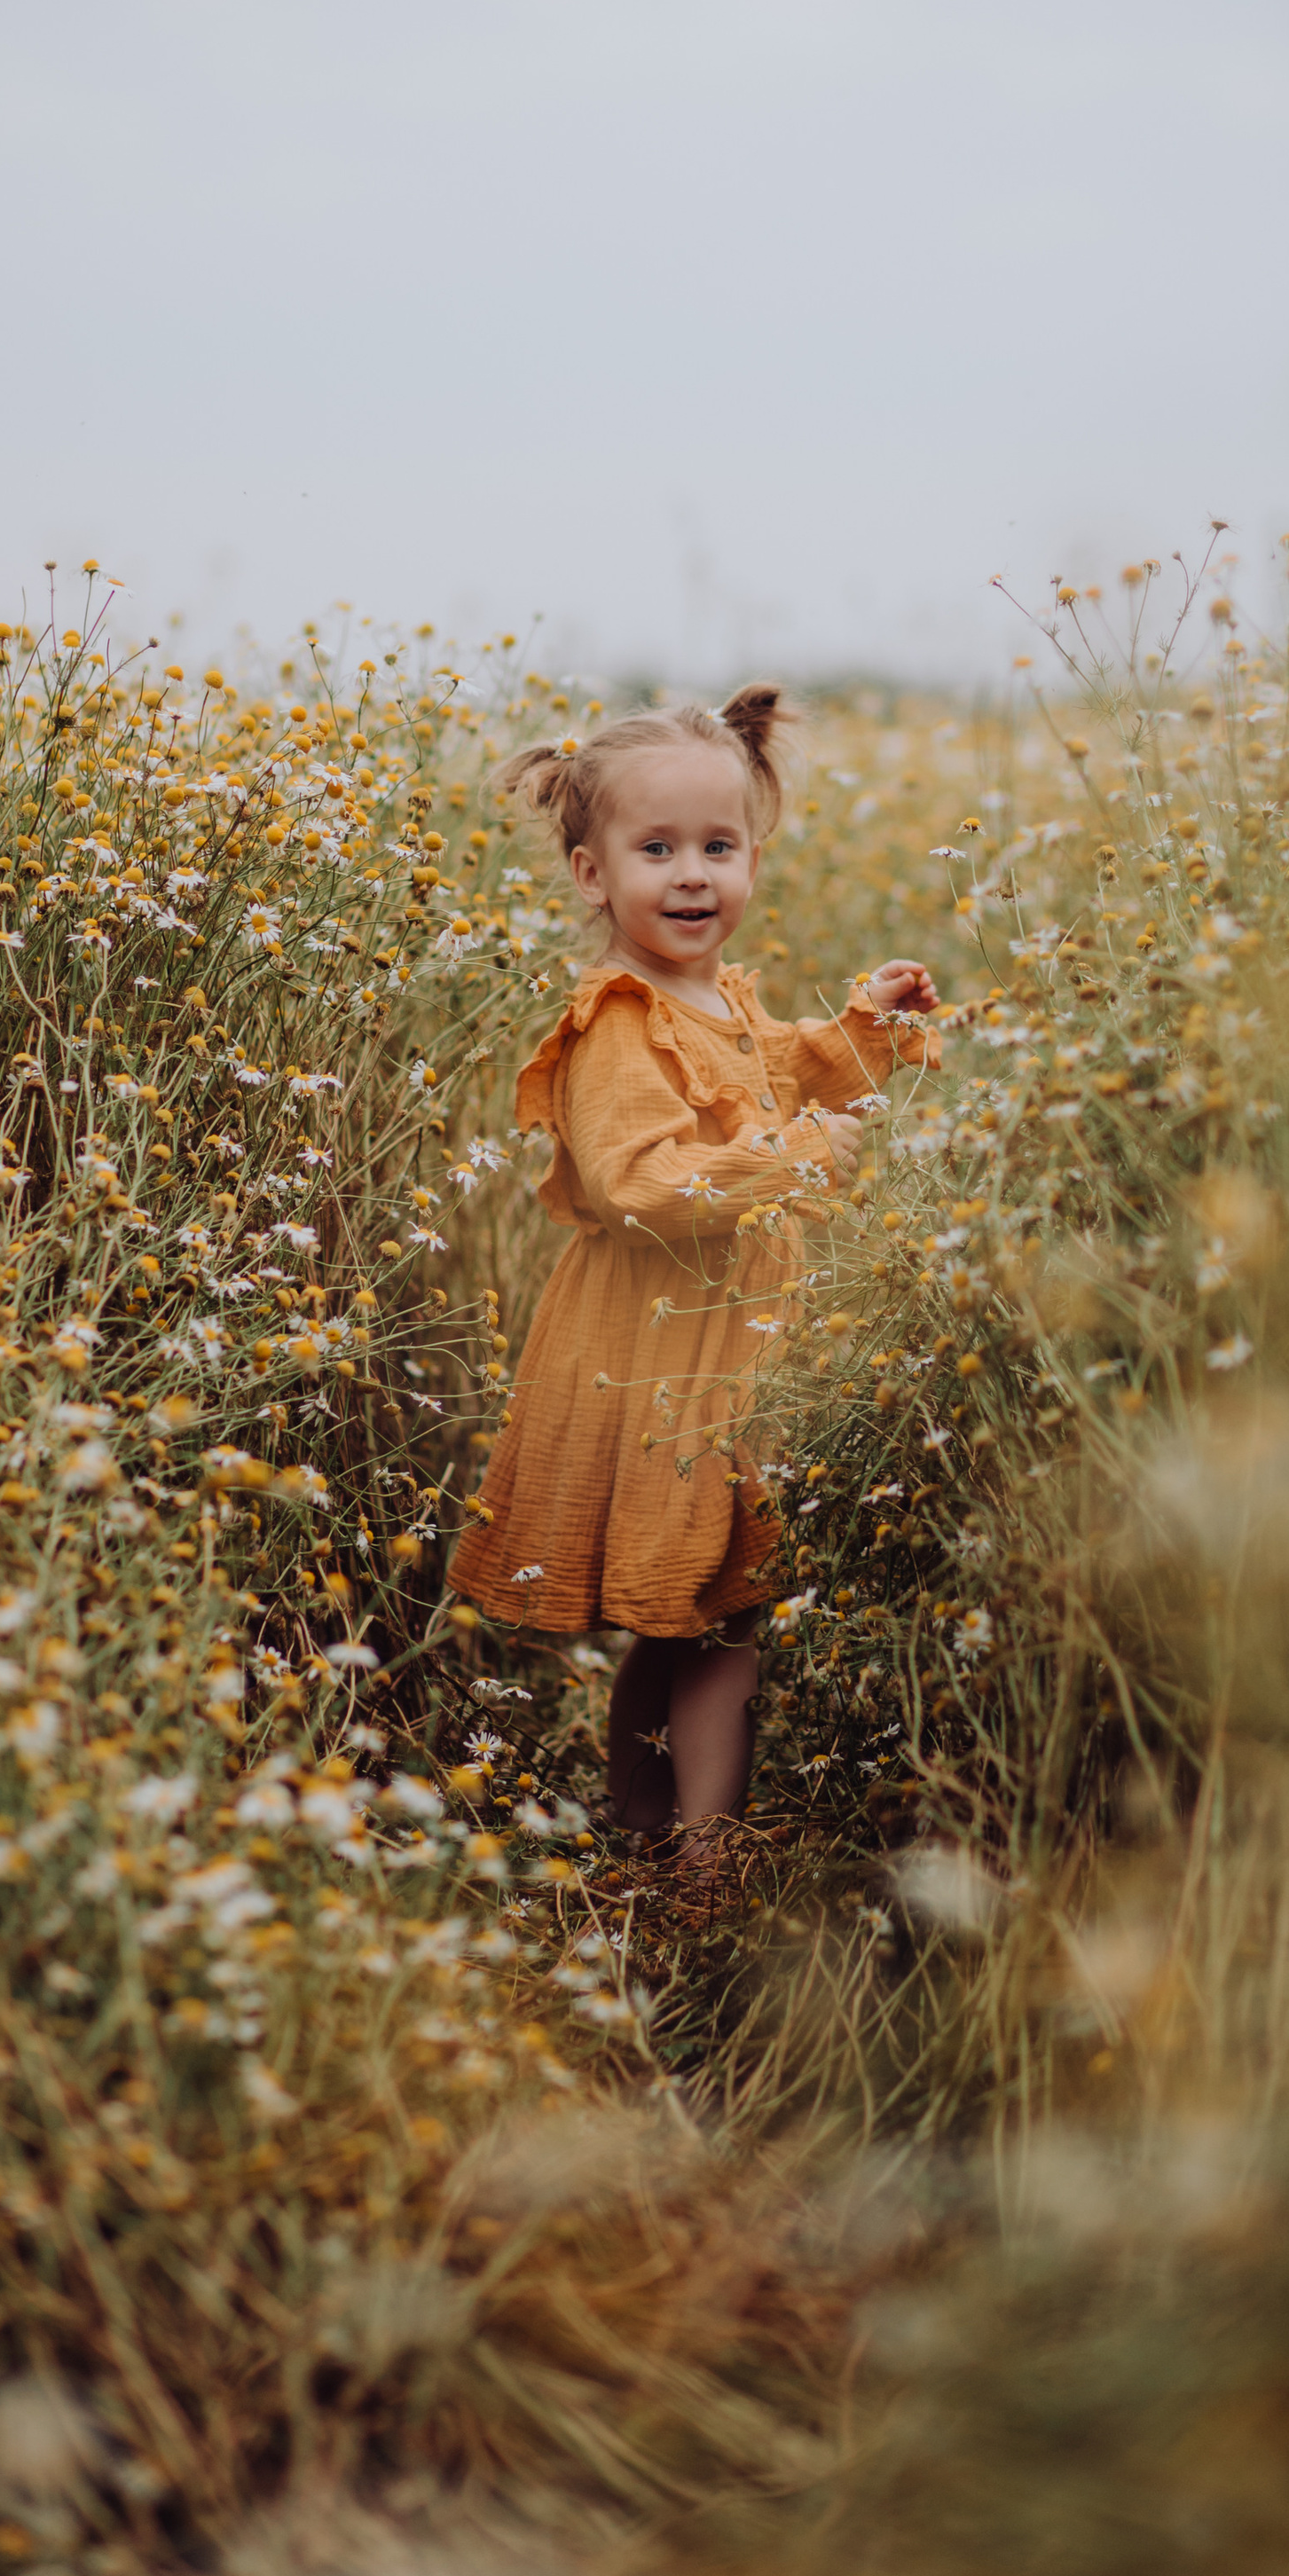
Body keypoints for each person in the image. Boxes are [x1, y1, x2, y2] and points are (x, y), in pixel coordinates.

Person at [446, 684, 939, 1879]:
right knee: (724, 1620)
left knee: (689, 1616)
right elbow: (637, 1181)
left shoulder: (717, 998)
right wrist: (796, 1157)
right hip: (661, 1354)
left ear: (754, 859)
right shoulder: (618, 1021)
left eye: (718, 847)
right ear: (591, 873)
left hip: (725, 1343)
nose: (691, 876)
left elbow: (782, 1069)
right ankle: (706, 1865)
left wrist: (863, 1028)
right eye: (656, 849)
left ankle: (644, 1834)